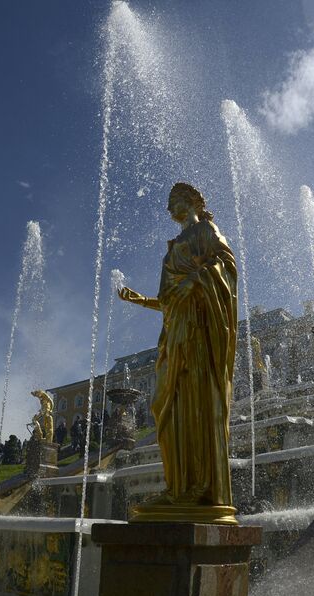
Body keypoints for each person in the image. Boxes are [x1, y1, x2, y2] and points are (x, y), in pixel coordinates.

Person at [118, 182, 239, 525]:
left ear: (194, 201)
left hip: (200, 331)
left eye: (176, 200)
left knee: (198, 405)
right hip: (175, 334)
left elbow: (227, 269)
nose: (170, 207)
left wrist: (197, 280)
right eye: (169, 202)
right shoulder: (172, 248)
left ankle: (200, 488)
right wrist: (140, 300)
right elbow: (169, 300)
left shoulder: (205, 230)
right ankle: (177, 486)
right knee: (165, 407)